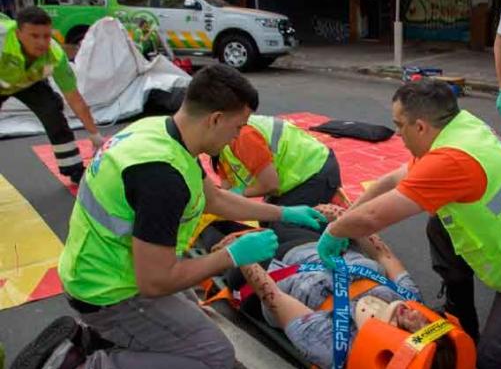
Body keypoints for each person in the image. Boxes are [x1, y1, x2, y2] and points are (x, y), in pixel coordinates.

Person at [11, 64, 328, 369]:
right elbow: (155, 281)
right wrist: (231, 256)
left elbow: (214, 198)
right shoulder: (161, 177)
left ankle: (98, 338)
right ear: (215, 119)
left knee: (190, 318)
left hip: (99, 269)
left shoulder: (159, 131)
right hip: (111, 291)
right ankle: (85, 363)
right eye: (238, 127)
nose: (238, 137)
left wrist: (283, 211)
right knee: (214, 356)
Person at [317, 80, 501, 368]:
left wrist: (333, 233)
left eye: (399, 125)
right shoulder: (458, 129)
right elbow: (391, 181)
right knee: (439, 226)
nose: (397, 133)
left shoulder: (450, 160)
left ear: (420, 127)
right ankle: (463, 319)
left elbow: (373, 218)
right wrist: (346, 215)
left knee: (493, 361)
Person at [209, 213, 470, 369]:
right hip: (315, 246)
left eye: (411, 328)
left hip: (275, 270)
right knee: (284, 214)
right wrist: (347, 218)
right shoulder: (411, 302)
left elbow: (273, 297)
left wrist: (239, 255)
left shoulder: (332, 345)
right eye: (426, 324)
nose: (416, 317)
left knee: (217, 235)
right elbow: (384, 255)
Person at [0, 6, 103, 183]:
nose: (42, 43)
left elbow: (75, 99)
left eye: (46, 36)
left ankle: (75, 170)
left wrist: (95, 136)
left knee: (53, 113)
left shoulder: (55, 54)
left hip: (29, 81)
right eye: (34, 36)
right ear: (18, 34)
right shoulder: (2, 41)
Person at [214, 114, 342, 207]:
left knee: (284, 230)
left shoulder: (242, 137)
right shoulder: (219, 147)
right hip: (293, 178)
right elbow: (226, 189)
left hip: (314, 171)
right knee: (267, 220)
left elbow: (270, 185)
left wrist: (240, 194)